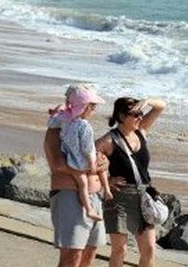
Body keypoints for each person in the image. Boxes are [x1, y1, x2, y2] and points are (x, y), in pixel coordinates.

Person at [95, 97, 166, 267]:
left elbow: (160, 107)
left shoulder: (141, 131)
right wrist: (106, 180)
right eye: (135, 114)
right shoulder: (108, 140)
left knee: (149, 249)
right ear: (121, 116)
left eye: (141, 114)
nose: (140, 117)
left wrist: (147, 101)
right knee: (120, 250)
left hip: (144, 197)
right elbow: (84, 163)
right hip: (120, 198)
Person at [44, 84, 109, 267]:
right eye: (91, 105)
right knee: (72, 255)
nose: (94, 109)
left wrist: (104, 162)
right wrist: (90, 169)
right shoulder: (56, 131)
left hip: (94, 197)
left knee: (91, 250)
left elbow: (93, 154)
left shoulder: (80, 128)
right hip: (70, 196)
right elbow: (57, 164)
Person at [50, 87, 113, 222]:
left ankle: (89, 209)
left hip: (71, 159)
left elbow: (54, 119)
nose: (94, 109)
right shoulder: (84, 126)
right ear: (85, 107)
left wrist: (56, 111)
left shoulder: (66, 120)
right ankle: (107, 190)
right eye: (92, 106)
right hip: (82, 161)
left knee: (83, 184)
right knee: (98, 167)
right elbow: (88, 148)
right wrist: (92, 164)